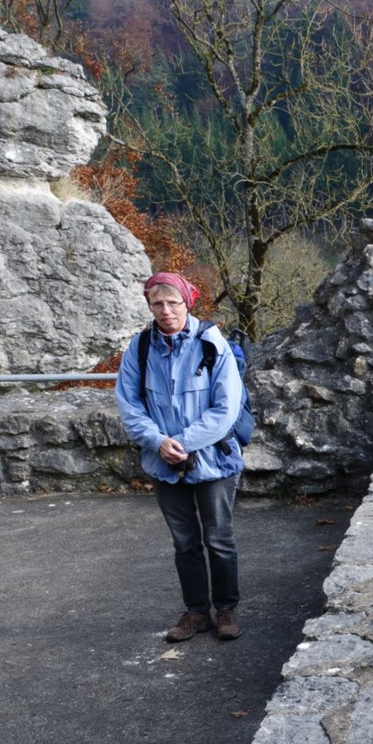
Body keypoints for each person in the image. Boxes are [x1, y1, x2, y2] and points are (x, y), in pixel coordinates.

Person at [114, 272, 246, 642]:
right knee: (185, 541)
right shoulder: (140, 348)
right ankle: (196, 613)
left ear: (188, 303)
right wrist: (157, 441)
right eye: (158, 303)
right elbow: (129, 405)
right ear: (150, 306)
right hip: (163, 462)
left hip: (212, 460)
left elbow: (226, 409)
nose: (166, 310)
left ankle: (226, 611)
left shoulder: (210, 343)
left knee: (219, 538)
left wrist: (183, 442)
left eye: (173, 303)